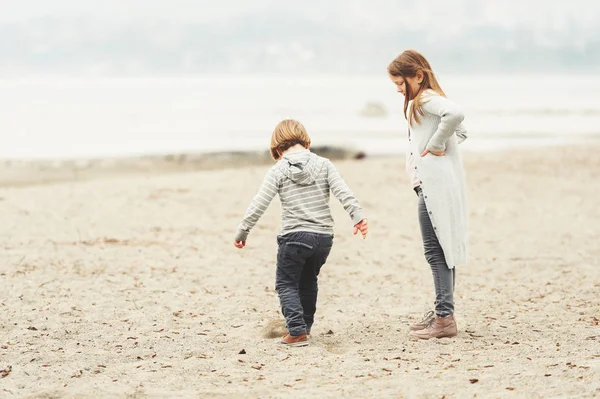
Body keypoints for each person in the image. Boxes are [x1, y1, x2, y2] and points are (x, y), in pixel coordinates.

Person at [233, 119, 368, 347]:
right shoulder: (324, 165)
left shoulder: (278, 170)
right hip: (323, 238)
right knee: (308, 282)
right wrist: (358, 217)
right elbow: (343, 192)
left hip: (295, 237)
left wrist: (242, 232)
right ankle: (305, 326)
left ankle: (296, 331)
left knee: (286, 283)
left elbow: (259, 204)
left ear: (277, 147)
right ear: (306, 141)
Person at [388, 49, 469, 339]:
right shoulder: (427, 100)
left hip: (433, 186)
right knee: (443, 250)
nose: (398, 89)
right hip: (436, 183)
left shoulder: (425, 99)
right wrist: (441, 142)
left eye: (400, 83)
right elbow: (460, 132)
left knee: (436, 252)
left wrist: (435, 145)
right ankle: (442, 312)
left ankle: (444, 319)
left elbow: (456, 115)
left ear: (418, 76)